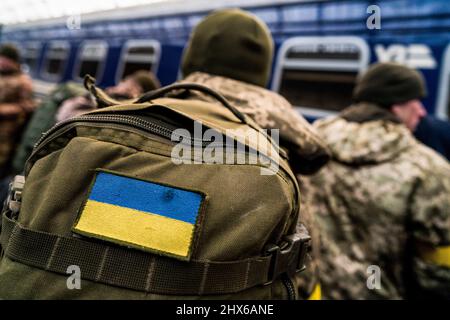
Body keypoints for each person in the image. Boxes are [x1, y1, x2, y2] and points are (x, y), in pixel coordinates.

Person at [178, 8, 331, 299]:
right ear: (262, 69)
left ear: (192, 57)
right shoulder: (289, 151)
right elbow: (304, 278)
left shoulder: (132, 112)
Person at [301, 62, 450, 299]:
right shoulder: (428, 170)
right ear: (396, 106)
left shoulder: (308, 148)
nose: (422, 112)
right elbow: (436, 273)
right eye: (416, 101)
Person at [0, 44, 35, 202]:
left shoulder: (23, 81)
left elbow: (28, 106)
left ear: (13, 61)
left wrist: (4, 110)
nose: (1, 61)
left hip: (7, 135)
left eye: (5, 59)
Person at [55, 70, 160, 122]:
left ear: (133, 88)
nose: (120, 83)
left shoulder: (110, 101)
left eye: (124, 81)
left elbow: (63, 116)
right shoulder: (137, 111)